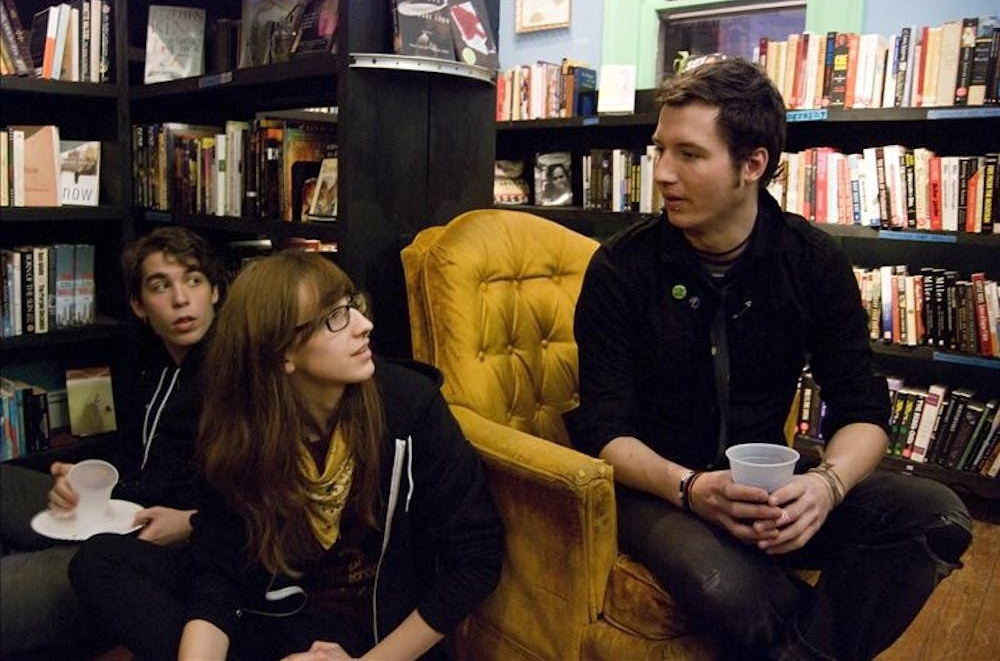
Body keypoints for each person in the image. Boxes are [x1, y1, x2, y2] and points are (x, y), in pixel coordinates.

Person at [566, 57, 972, 661]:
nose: (663, 175)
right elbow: (604, 429)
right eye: (659, 152)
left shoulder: (812, 261)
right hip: (657, 490)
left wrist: (826, 488)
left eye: (690, 154)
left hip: (772, 491)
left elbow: (864, 411)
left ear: (752, 164)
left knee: (936, 513)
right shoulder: (621, 268)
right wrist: (693, 488)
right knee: (725, 584)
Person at [69, 249, 503, 660]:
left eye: (354, 304)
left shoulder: (408, 407)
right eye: (335, 317)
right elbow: (220, 576)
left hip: (372, 632)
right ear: (282, 354)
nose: (363, 324)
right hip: (271, 613)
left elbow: (477, 559)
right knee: (100, 561)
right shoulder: (242, 427)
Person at [0, 226, 223, 657]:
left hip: (149, 549)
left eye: (194, 280)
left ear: (215, 290)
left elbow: (263, 497)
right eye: (162, 286)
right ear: (140, 306)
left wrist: (193, 522)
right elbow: (132, 458)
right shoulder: (153, 365)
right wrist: (80, 477)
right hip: (111, 508)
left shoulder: (237, 371)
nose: (181, 299)